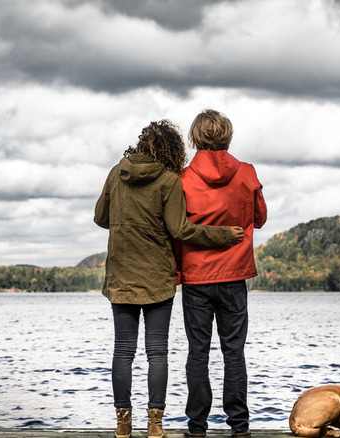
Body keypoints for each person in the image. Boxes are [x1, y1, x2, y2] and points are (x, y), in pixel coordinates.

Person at [94, 119, 244, 438]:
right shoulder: (168, 180)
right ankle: (154, 426)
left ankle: (122, 426)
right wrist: (222, 235)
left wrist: (127, 222)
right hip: (158, 277)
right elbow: (180, 230)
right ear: (171, 149)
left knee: (123, 350)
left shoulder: (115, 174)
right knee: (156, 351)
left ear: (141, 144)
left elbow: (100, 218)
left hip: (120, 274)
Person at [176, 109, 267, 438]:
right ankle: (240, 428)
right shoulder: (246, 173)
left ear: (195, 137)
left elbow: (178, 230)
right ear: (227, 136)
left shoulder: (183, 178)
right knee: (234, 353)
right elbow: (260, 217)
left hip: (196, 278)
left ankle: (196, 428)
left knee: (197, 353)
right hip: (234, 275)